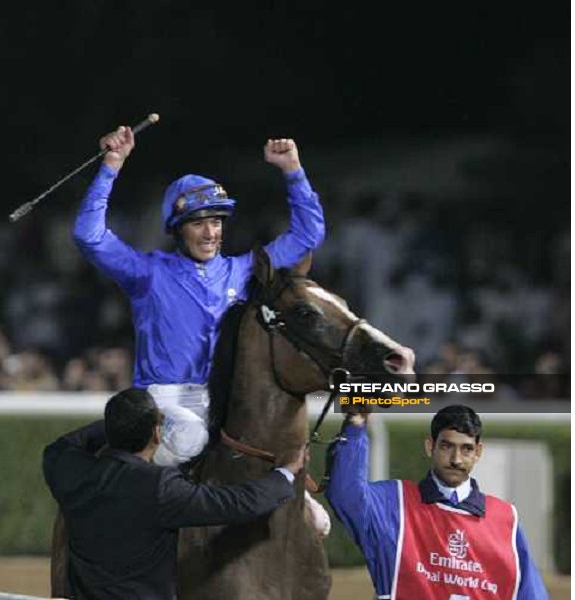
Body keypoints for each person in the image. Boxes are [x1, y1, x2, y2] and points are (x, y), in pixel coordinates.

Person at [72, 124, 330, 535]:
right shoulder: (147, 273)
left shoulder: (245, 269)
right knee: (191, 437)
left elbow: (308, 234)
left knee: (299, 487)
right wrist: (111, 167)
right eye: (198, 223)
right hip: (163, 403)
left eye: (217, 221)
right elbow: (89, 235)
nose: (211, 232)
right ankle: (142, 518)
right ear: (177, 227)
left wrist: (293, 171)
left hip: (226, 402)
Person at [43, 387, 305, 600]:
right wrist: (286, 473)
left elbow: (63, 445)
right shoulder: (159, 486)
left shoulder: (69, 470)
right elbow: (237, 503)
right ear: (157, 434)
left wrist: (122, 421)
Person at [325, 405, 548, 599]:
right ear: (430, 446)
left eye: (466, 449)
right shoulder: (394, 501)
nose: (456, 459)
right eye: (446, 446)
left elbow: (530, 593)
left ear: (478, 452)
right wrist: (355, 425)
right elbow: (345, 495)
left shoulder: (506, 518)